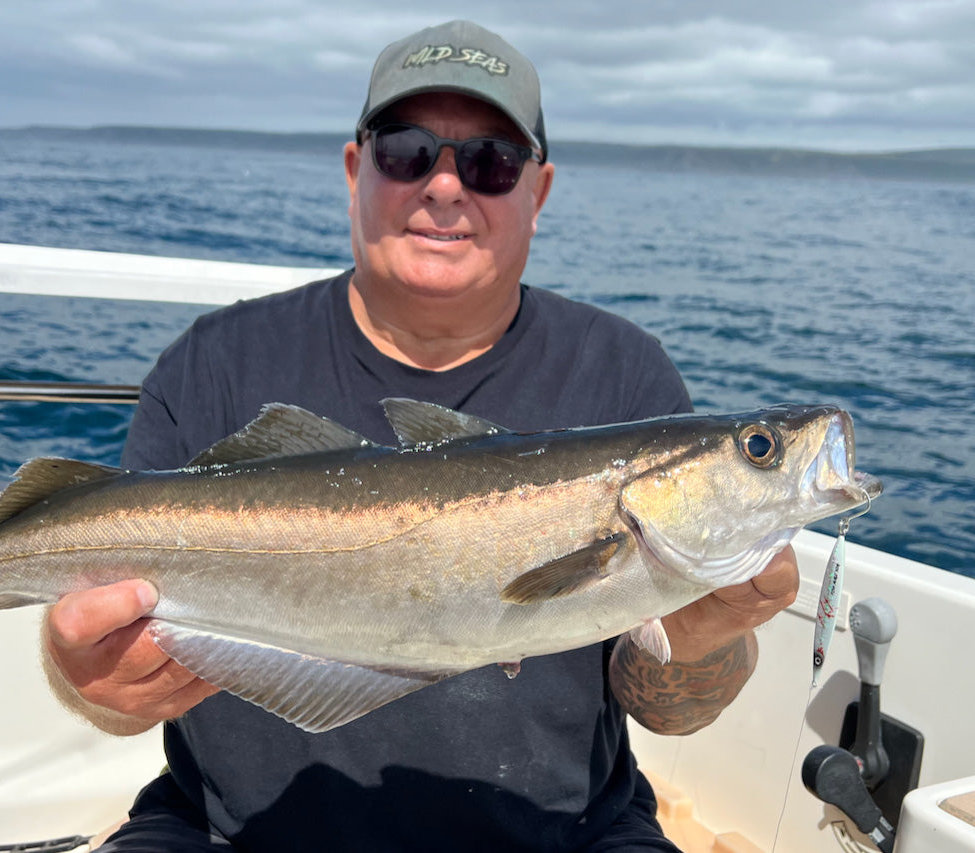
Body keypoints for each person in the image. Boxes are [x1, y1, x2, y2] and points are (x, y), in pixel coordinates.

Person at [43, 20, 799, 852]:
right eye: (405, 151)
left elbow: (667, 708)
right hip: (228, 829)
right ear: (354, 170)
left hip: (568, 835)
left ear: (538, 191)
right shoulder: (213, 362)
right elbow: (104, 653)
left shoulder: (624, 374)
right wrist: (88, 678)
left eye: (490, 162)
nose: (445, 187)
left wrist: (704, 635)